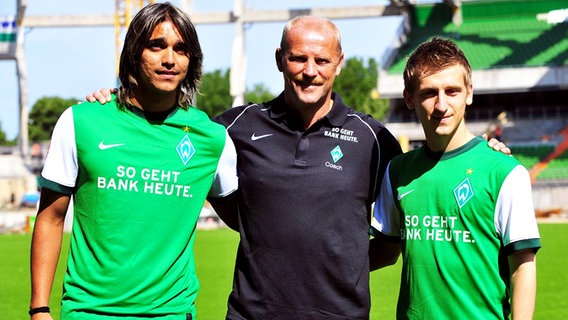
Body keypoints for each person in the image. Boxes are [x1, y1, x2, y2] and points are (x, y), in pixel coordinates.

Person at [87, 17, 511, 319]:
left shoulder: (372, 139)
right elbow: (165, 137)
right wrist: (120, 104)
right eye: (298, 59)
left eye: (322, 61)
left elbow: (393, 236)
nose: (310, 71)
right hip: (252, 314)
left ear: (339, 63)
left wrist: (484, 151)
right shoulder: (233, 127)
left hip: (341, 315)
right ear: (279, 59)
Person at [29, 3, 237, 320]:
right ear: (134, 52)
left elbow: (248, 221)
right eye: (157, 46)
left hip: (172, 313)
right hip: (89, 312)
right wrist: (39, 309)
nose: (169, 59)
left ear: (191, 60)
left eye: (181, 49)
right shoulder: (81, 121)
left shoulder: (212, 139)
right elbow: (51, 218)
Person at [370, 37, 541, 319]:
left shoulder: (505, 172)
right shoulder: (397, 171)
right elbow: (385, 251)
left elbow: (523, 266)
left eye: (452, 91)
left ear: (469, 93)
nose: (441, 105)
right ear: (409, 98)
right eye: (429, 93)